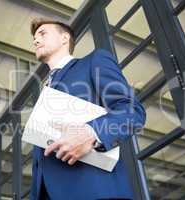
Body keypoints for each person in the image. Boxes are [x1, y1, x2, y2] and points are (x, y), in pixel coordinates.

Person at [29, 18, 146, 200]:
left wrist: (91, 132)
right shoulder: (44, 91)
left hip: (94, 191)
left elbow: (132, 111)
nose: (36, 40)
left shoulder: (94, 61)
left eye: (43, 33)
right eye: (34, 37)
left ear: (64, 38)